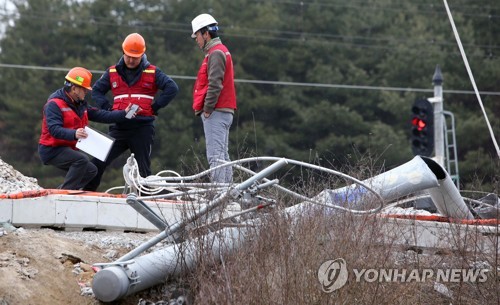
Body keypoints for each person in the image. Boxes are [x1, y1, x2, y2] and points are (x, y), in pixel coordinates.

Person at [84, 33, 179, 191]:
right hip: (119, 128)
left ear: (142, 54)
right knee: (98, 161)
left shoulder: (153, 72)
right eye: (129, 56)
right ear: (123, 52)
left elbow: (172, 88)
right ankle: (88, 192)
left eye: (135, 56)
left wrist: (155, 108)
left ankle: (146, 201)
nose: (131, 60)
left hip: (142, 129)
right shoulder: (112, 72)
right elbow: (96, 92)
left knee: (143, 171)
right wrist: (108, 109)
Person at [38, 67, 134, 190]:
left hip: (65, 148)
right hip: (51, 150)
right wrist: (74, 133)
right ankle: (64, 194)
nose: (86, 92)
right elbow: (54, 130)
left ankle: (62, 191)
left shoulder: (80, 104)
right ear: (74, 89)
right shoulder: (54, 105)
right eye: (84, 89)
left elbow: (101, 115)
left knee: (91, 170)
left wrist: (123, 113)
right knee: (81, 160)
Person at [191, 13, 237, 184]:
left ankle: (220, 198)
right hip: (223, 110)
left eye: (197, 35)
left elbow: (215, 84)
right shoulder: (220, 51)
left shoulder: (216, 53)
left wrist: (208, 109)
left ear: (206, 33)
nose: (196, 40)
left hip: (216, 111)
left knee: (215, 158)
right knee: (223, 156)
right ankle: (228, 193)